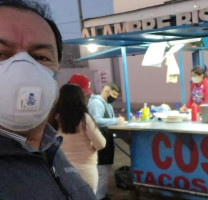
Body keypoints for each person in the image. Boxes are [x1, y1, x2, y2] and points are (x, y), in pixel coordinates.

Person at [0, 0, 96, 199]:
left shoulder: (49, 147)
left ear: (57, 71)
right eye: (1, 53)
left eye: (41, 57)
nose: (23, 70)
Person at [49, 84, 106, 193]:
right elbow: (101, 143)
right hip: (86, 167)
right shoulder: (84, 118)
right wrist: (92, 147)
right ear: (80, 98)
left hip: (61, 167)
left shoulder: (53, 118)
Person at [88, 82, 125, 200]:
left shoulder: (107, 104)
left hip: (107, 140)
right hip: (98, 142)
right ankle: (98, 197)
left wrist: (116, 121)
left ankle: (103, 194)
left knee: (105, 170)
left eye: (116, 95)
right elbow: (96, 120)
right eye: (113, 94)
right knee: (101, 172)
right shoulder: (96, 103)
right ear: (106, 91)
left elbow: (110, 119)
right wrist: (115, 121)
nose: (114, 97)